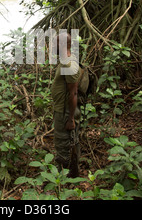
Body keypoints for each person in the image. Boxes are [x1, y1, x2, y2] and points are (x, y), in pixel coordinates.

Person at [50, 32, 81, 177]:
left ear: (62, 45)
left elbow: (73, 93)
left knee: (63, 145)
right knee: (65, 143)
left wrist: (70, 119)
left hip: (65, 114)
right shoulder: (65, 60)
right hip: (62, 111)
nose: (53, 46)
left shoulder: (68, 63)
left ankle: (65, 179)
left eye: (55, 43)